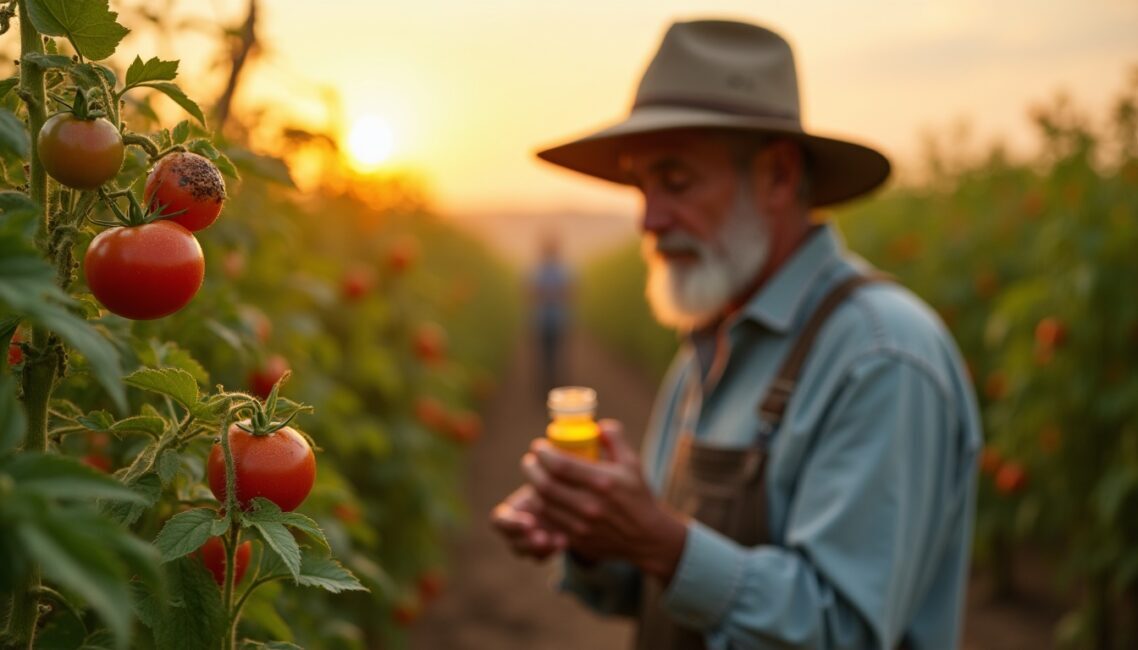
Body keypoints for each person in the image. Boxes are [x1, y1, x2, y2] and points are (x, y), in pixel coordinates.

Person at [490, 19, 982, 650]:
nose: (650, 218)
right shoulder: (708, 348)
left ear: (778, 176)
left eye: (675, 180)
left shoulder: (880, 357)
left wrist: (659, 539)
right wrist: (595, 536)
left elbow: (845, 631)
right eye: (641, 185)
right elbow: (665, 587)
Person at [529, 232, 573, 395]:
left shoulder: (538, 270)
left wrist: (546, 295)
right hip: (552, 319)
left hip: (548, 319)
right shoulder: (562, 270)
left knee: (548, 355)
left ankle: (548, 388)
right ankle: (550, 387)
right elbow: (570, 291)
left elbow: (530, 292)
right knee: (550, 355)